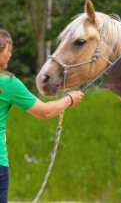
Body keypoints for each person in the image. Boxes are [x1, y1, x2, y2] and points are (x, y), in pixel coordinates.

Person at [0, 29, 84, 202]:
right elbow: (45, 112)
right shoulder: (7, 84)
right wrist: (69, 99)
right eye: (8, 51)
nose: (10, 55)